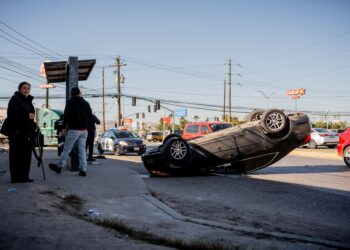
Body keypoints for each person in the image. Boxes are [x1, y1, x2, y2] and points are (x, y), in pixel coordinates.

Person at [49, 87, 92, 177]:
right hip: (84, 131)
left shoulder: (70, 103)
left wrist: (64, 128)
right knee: (82, 150)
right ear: (79, 93)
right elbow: (89, 117)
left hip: (74, 130)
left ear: (71, 94)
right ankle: (83, 170)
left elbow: (66, 117)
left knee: (67, 148)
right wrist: (86, 127)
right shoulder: (86, 103)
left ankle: (59, 166)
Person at [6, 82, 35, 183]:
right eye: (24, 88)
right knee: (16, 156)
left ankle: (24, 177)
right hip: (16, 133)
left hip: (27, 133)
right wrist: (27, 115)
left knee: (26, 156)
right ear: (19, 89)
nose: (26, 89)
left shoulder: (28, 101)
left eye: (28, 88)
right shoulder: (15, 99)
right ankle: (15, 178)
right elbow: (11, 114)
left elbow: (31, 116)